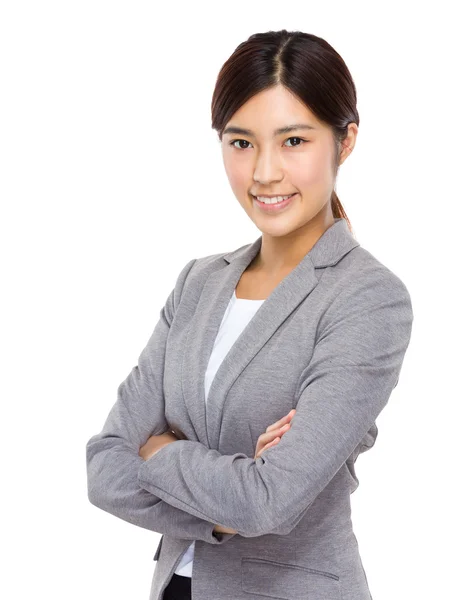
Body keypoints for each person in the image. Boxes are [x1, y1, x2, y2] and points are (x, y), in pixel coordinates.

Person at [86, 29, 413, 600]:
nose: (264, 172)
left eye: (293, 141)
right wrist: (219, 515)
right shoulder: (197, 282)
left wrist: (161, 449)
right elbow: (103, 467)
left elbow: (270, 501)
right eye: (241, 143)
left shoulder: (367, 299)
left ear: (345, 141)